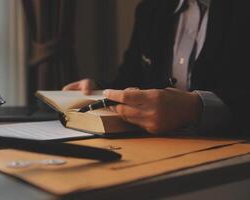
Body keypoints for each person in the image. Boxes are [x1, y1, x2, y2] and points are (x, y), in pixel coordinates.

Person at [63, 0, 250, 134]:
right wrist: (100, 89)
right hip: (152, 149)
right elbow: (130, 80)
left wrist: (195, 109)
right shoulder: (150, 9)